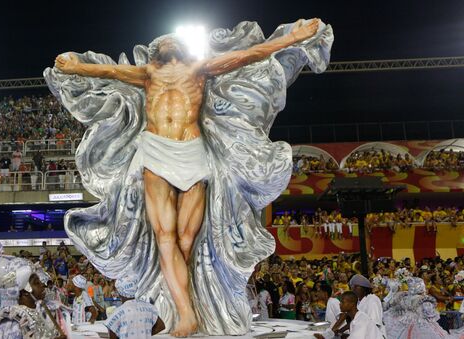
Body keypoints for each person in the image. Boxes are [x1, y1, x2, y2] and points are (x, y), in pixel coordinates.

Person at [48, 17, 331, 337]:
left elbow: (250, 55)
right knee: (165, 238)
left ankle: (187, 304)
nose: (167, 42)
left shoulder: (200, 68)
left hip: (193, 154)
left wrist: (293, 37)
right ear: (156, 52)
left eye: (172, 41)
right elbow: (108, 71)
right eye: (162, 42)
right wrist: (74, 67)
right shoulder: (147, 73)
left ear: (181, 50)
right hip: (155, 153)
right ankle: (185, 314)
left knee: (185, 241)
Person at [105, 275, 165, 339]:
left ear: (119, 292)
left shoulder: (117, 312)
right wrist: (144, 334)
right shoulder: (149, 308)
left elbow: (112, 336)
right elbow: (161, 326)